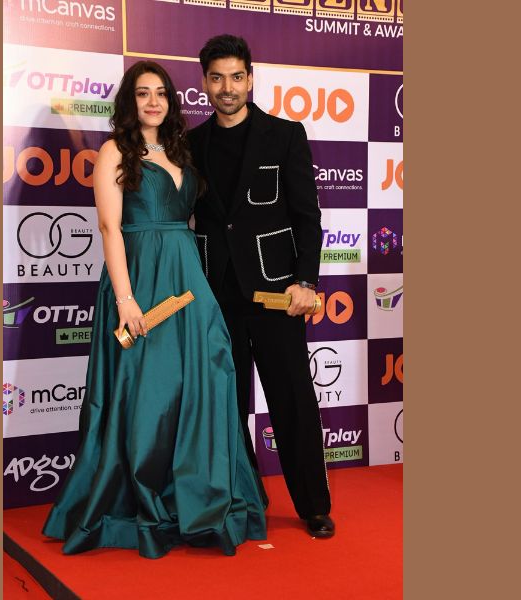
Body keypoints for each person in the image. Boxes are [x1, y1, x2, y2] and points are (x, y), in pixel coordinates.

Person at [42, 60, 267, 559]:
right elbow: (109, 228)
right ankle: (142, 503)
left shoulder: (181, 151)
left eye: (161, 92)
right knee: (148, 392)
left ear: (171, 100)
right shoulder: (114, 152)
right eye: (143, 93)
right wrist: (126, 300)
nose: (153, 101)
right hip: (141, 278)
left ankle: (198, 498)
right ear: (130, 100)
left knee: (205, 381)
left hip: (187, 280)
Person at [188, 35, 335, 538]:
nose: (227, 88)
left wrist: (306, 280)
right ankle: (246, 499)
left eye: (236, 77)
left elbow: (307, 217)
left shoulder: (284, 135)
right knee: (226, 406)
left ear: (250, 79)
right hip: (216, 296)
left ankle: (314, 505)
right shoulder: (192, 144)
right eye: (217, 78)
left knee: (293, 401)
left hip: (276, 295)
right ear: (204, 82)